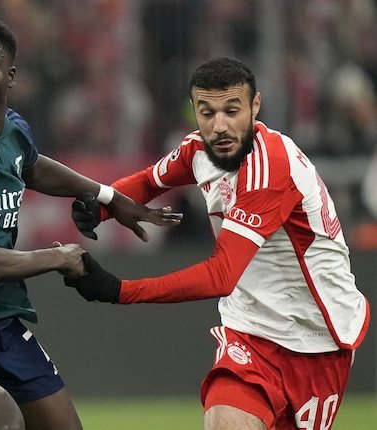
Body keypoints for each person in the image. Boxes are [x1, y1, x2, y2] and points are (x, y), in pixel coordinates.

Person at [0, 15, 181, 430]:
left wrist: (106, 195)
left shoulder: (14, 128)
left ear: (11, 75)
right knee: (0, 422)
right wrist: (58, 259)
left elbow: (33, 167)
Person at [66, 57, 370, 430]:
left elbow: (222, 275)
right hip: (248, 330)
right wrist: (103, 205)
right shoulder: (198, 150)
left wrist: (120, 290)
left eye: (232, 110)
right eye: (206, 112)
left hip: (316, 338)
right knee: (224, 422)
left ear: (255, 107)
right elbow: (149, 181)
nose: (219, 126)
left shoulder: (270, 168)